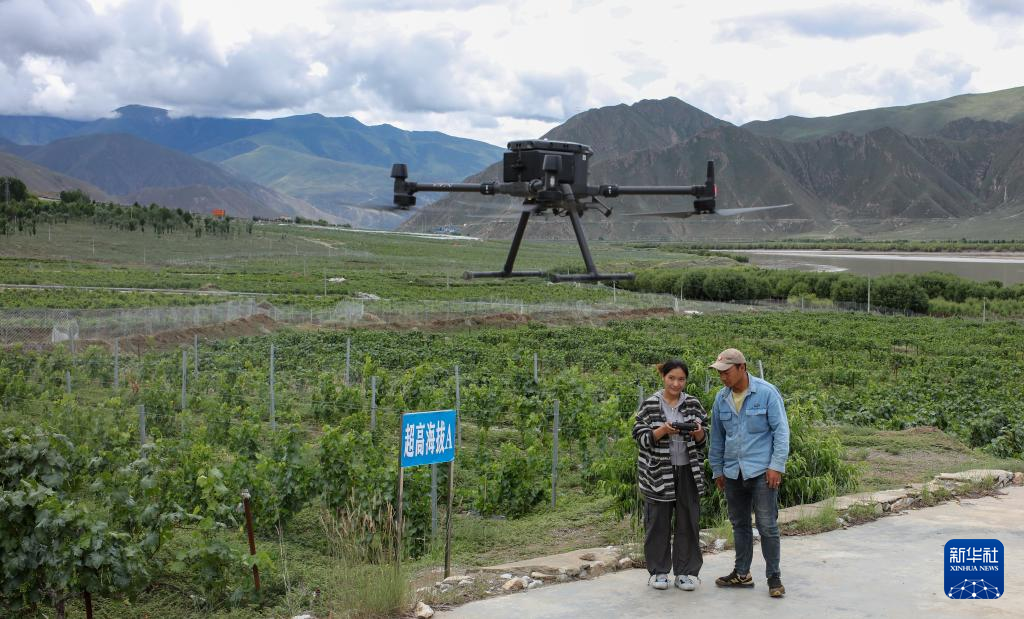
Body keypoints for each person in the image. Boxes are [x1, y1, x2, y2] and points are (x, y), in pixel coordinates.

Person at [708, 348, 790, 598]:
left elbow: (781, 431)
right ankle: (742, 574)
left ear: (742, 368)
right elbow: (717, 438)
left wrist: (776, 466)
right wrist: (718, 469)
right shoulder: (721, 399)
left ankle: (774, 578)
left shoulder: (766, 393)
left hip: (762, 472)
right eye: (719, 373)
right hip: (733, 472)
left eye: (726, 371)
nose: (722, 377)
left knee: (767, 525)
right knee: (739, 524)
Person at [632, 359, 708, 592]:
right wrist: (663, 430)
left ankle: (684, 573)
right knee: (657, 522)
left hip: (688, 471)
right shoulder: (650, 404)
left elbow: (705, 439)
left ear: (686, 380)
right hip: (658, 472)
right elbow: (641, 438)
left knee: (688, 521)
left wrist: (697, 432)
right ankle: (659, 572)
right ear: (663, 377)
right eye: (671, 378)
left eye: (681, 379)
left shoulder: (693, 404)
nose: (676, 383)